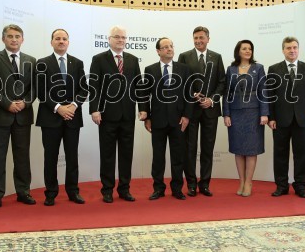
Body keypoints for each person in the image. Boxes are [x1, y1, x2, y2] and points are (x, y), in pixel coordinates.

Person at [89, 26, 147, 203]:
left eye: (123, 37)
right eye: (117, 37)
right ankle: (107, 190)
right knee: (107, 154)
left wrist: (143, 108)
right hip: (106, 115)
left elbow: (139, 86)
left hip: (128, 116)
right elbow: (94, 86)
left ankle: (124, 189)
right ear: (109, 39)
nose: (121, 40)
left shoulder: (132, 59)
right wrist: (94, 109)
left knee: (126, 154)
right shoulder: (99, 59)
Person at [35, 29, 88, 206]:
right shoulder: (42, 63)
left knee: (72, 157)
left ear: (68, 42)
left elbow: (84, 89)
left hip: (72, 116)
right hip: (50, 117)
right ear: (51, 42)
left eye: (64, 39)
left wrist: (72, 106)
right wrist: (58, 108)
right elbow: (40, 91)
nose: (61, 41)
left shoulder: (77, 63)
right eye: (57, 38)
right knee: (50, 157)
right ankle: (51, 193)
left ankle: (73, 191)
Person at [0, 24, 37, 208]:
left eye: (17, 36)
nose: (14, 39)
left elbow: (35, 87)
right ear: (3, 39)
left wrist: (25, 102)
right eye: (10, 36)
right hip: (0, 115)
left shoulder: (31, 61)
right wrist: (7, 104)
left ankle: (23, 192)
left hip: (23, 116)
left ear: (22, 39)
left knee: (22, 156)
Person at [140, 37, 193, 201]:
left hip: (178, 120)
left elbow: (189, 94)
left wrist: (186, 116)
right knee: (158, 158)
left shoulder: (184, 69)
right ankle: (158, 189)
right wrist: (146, 117)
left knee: (178, 157)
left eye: (171, 46)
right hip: (157, 120)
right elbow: (143, 95)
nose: (169, 49)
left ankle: (177, 189)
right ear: (158, 51)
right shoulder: (150, 70)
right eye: (165, 47)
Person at [267, 37, 305, 198]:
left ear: (298, 49)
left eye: (295, 47)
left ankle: (301, 186)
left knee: (302, 154)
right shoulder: (274, 69)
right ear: (283, 50)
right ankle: (281, 186)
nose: (292, 50)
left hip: (303, 119)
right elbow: (270, 96)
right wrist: (271, 117)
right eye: (288, 48)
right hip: (281, 119)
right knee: (280, 154)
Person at [178, 26, 225, 197]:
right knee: (189, 149)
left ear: (208, 39)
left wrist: (212, 99)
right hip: (190, 111)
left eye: (201, 38)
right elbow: (181, 81)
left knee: (207, 149)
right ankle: (191, 184)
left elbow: (222, 82)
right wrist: (192, 95)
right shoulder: (184, 56)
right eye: (195, 38)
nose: (198, 41)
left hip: (210, 111)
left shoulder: (217, 57)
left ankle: (204, 184)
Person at [222, 39, 268, 197]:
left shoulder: (259, 68)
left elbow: (264, 91)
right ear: (238, 51)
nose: (248, 51)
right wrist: (226, 114)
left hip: (254, 114)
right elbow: (227, 93)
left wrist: (264, 113)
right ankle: (241, 181)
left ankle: (249, 182)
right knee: (239, 149)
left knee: (251, 149)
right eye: (244, 48)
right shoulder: (231, 69)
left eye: (250, 49)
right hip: (235, 114)